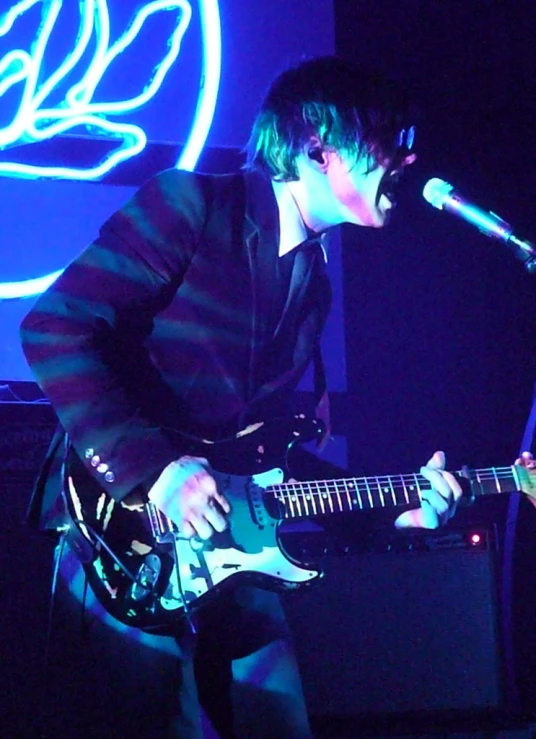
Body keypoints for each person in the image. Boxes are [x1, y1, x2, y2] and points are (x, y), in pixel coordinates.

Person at [20, 56, 463, 739]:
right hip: (117, 532)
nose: (409, 156)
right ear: (318, 143)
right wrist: (157, 471)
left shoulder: (313, 285)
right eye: (388, 138)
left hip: (228, 545)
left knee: (278, 722)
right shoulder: (192, 205)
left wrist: (395, 512)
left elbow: (265, 451)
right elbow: (54, 328)